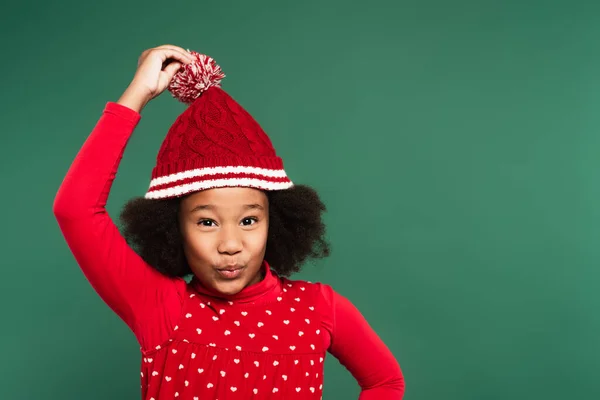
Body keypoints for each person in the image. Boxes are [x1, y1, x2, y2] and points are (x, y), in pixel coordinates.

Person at [53, 44, 404, 400]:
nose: (231, 244)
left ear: (277, 222)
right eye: (207, 223)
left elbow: (385, 383)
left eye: (249, 220)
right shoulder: (160, 307)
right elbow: (75, 210)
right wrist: (137, 96)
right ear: (174, 230)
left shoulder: (318, 308)